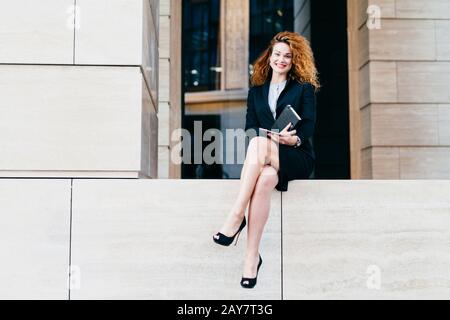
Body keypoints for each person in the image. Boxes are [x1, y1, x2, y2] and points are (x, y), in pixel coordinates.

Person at [213, 31, 320, 288]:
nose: (281, 60)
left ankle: (237, 215)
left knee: (260, 144)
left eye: (288, 56)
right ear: (269, 57)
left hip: (296, 155)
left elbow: (308, 128)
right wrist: (268, 137)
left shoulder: (303, 89)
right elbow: (250, 129)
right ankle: (252, 258)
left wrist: (289, 140)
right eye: (278, 54)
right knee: (265, 179)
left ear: (295, 61)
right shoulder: (256, 93)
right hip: (266, 159)